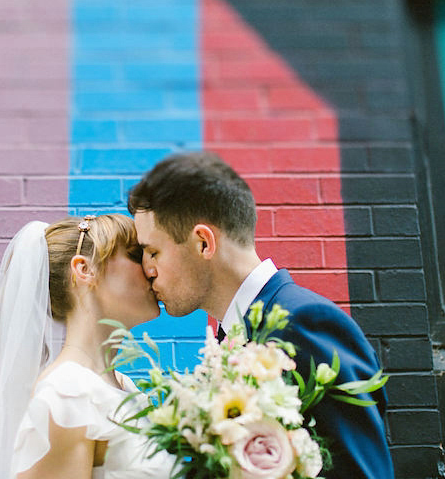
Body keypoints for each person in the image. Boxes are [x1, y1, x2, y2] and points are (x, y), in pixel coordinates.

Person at [128, 151, 395, 479]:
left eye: (153, 251)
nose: (148, 269)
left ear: (203, 243)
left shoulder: (304, 323)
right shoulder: (234, 339)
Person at [0, 214, 176, 479]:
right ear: (84, 269)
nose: (150, 269)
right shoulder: (69, 393)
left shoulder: (122, 385)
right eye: (136, 255)